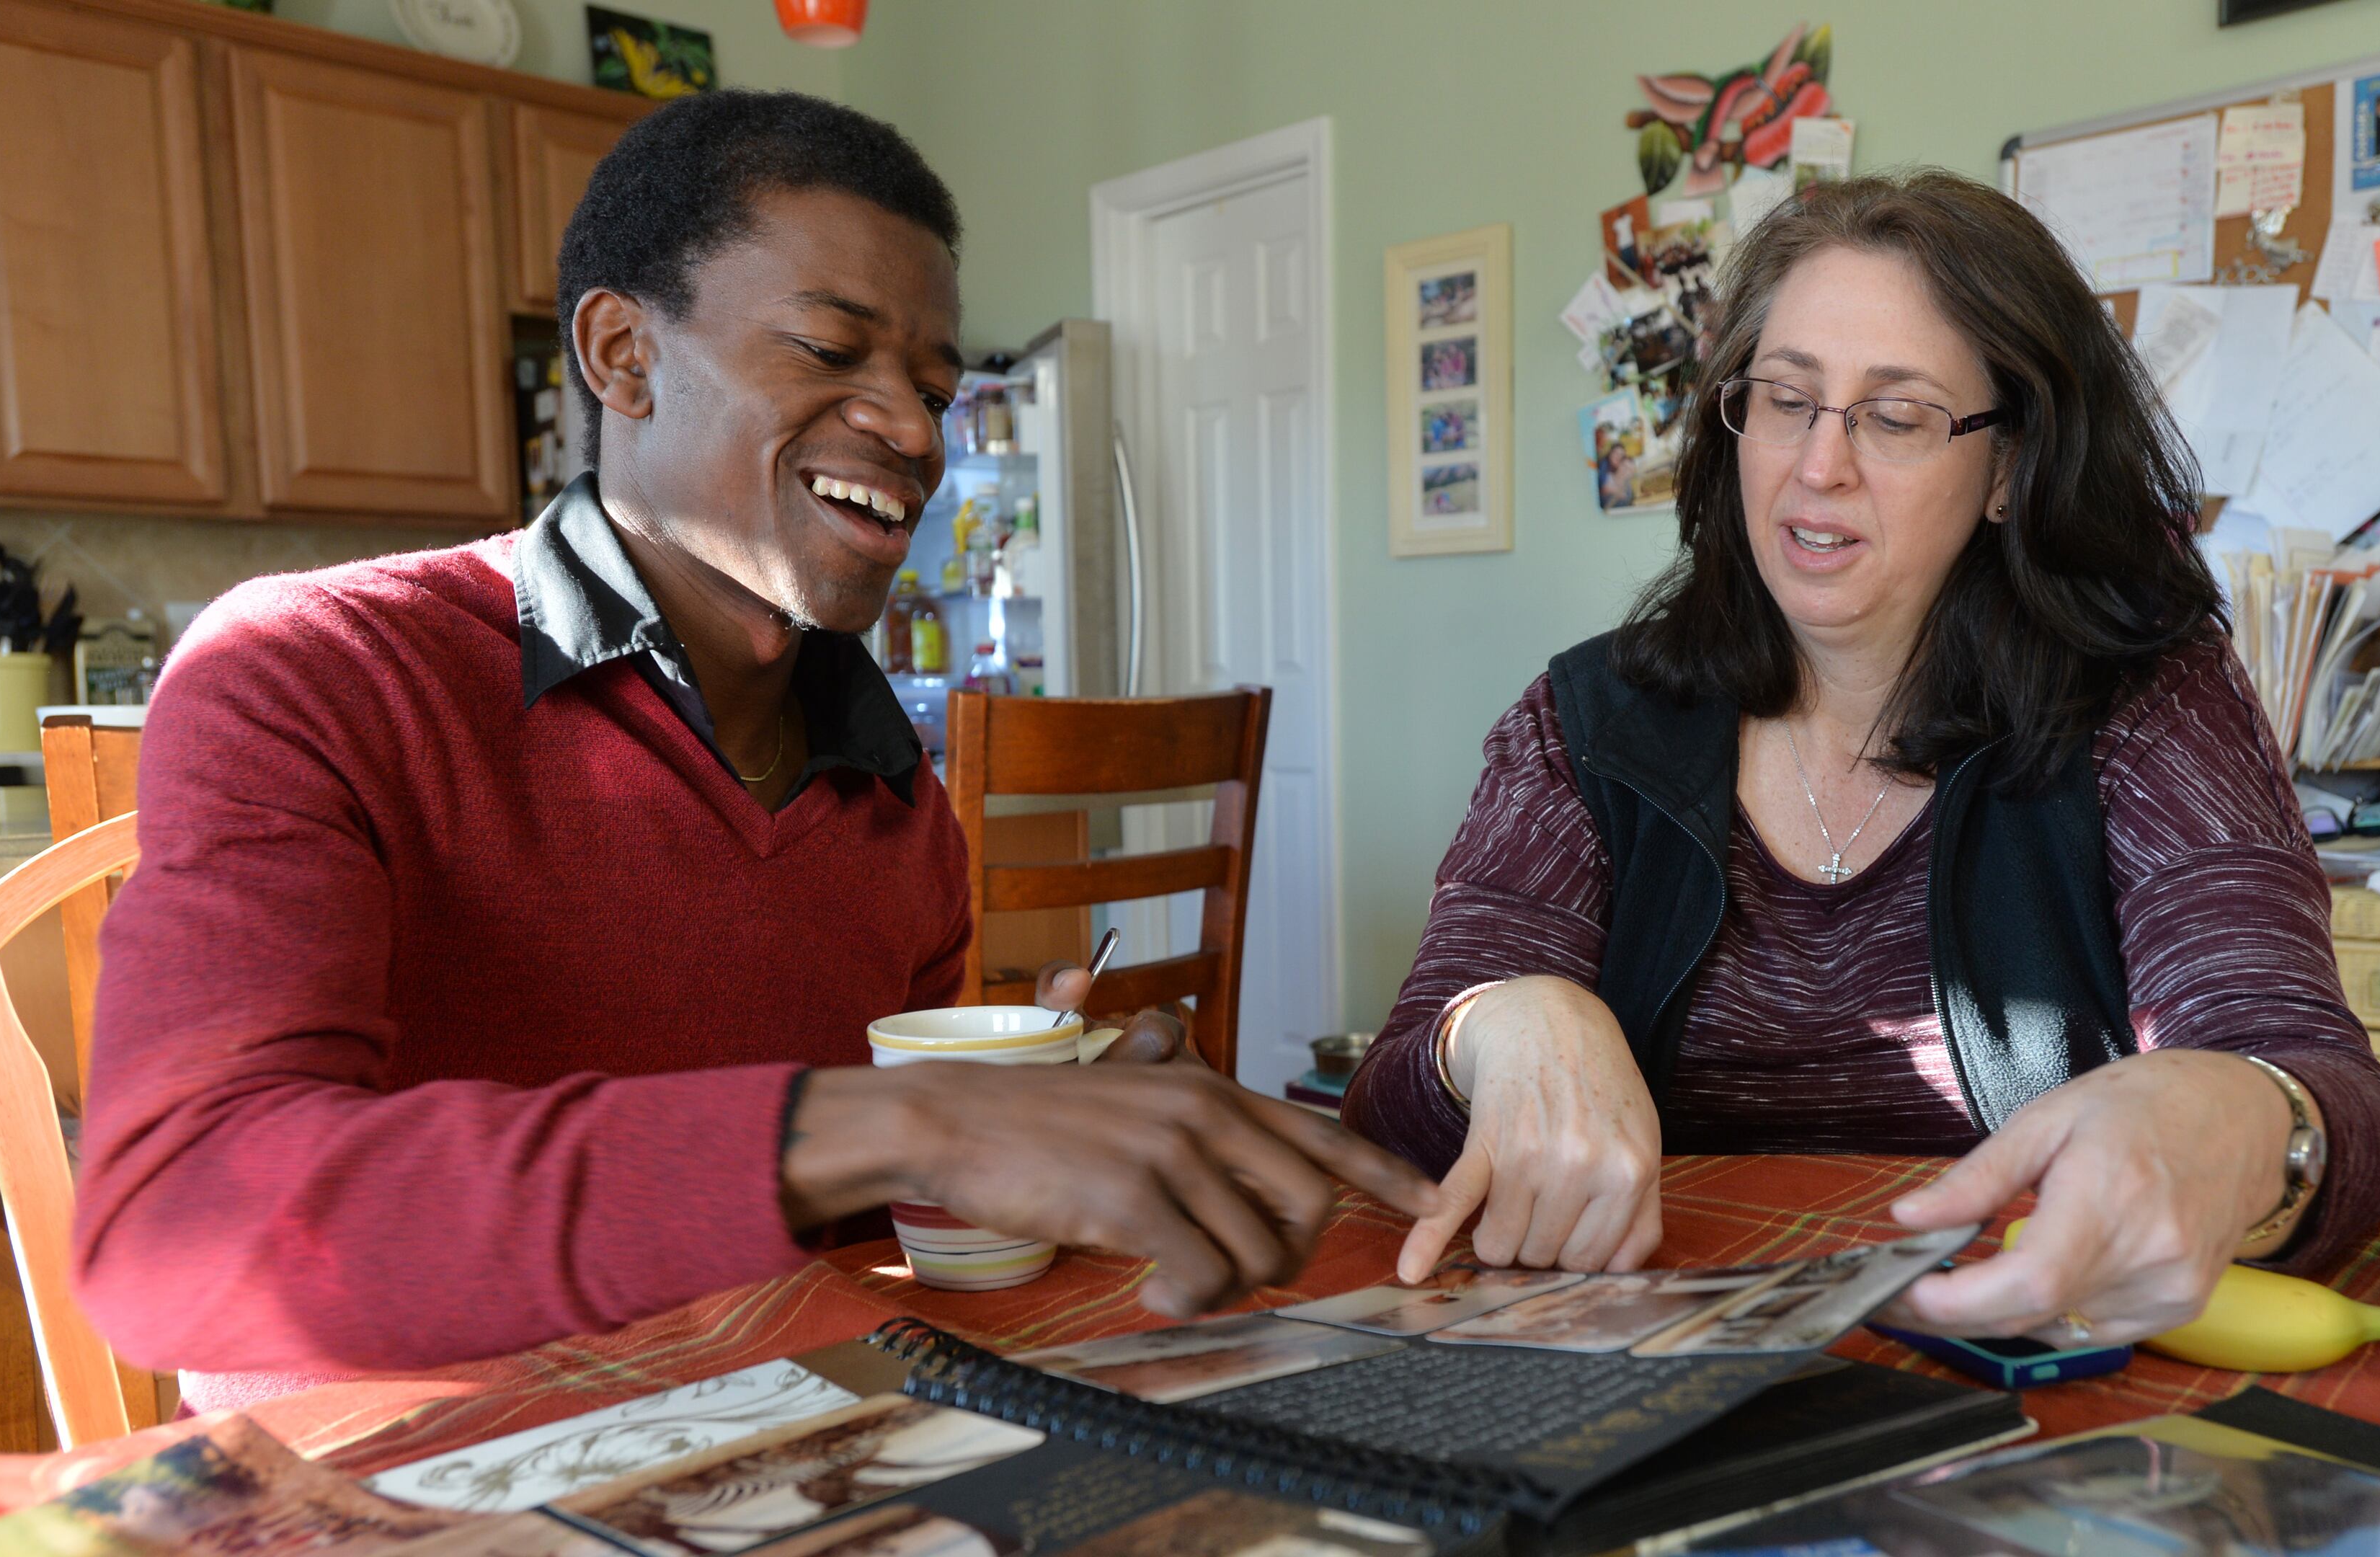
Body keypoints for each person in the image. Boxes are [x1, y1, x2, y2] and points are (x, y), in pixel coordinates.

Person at [74, 91, 1433, 1410]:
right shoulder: (319, 671)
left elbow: (831, 1211)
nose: (912, 430)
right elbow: (174, 1226)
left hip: (782, 1432)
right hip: (406, 1471)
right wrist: (902, 1124)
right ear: (621, 355)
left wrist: (1053, 1133)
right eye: (832, 354)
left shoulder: (892, 794)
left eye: (933, 386)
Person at [1344, 172, 2380, 1352]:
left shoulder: (2152, 700)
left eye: (1895, 417)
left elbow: (2318, 1076)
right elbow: (1395, 1110)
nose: (1819, 465)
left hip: (2017, 1377)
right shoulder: (1584, 720)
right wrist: (1495, 1022)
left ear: (2008, 470)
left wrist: (2256, 1114)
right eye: (1787, 398)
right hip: (1651, 1371)